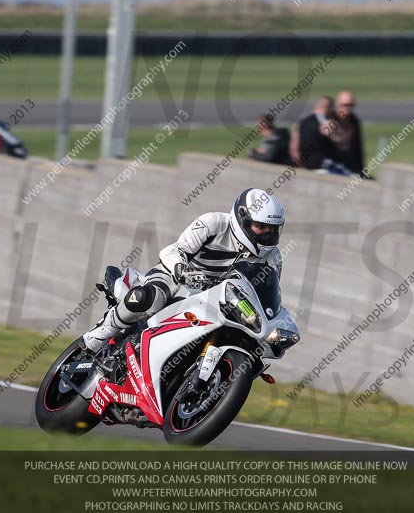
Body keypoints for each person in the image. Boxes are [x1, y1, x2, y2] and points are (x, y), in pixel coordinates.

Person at [82, 188, 286, 353]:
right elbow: (176, 250)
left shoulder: (273, 257)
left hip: (219, 302)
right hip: (179, 280)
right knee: (151, 299)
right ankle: (102, 331)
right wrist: (181, 270)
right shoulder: (214, 223)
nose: (267, 234)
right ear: (242, 219)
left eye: (272, 229)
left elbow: (268, 294)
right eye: (261, 227)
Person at [290, 96, 339, 170]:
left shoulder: (302, 122)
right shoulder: (325, 122)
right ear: (329, 108)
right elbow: (337, 141)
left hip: (306, 165)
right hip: (324, 166)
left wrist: (301, 164)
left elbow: (293, 147)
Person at [331, 90, 367, 177]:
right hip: (334, 168)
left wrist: (361, 169)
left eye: (351, 105)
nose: (348, 108)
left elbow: (357, 147)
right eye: (345, 105)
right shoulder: (330, 120)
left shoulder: (354, 120)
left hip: (352, 168)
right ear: (337, 104)